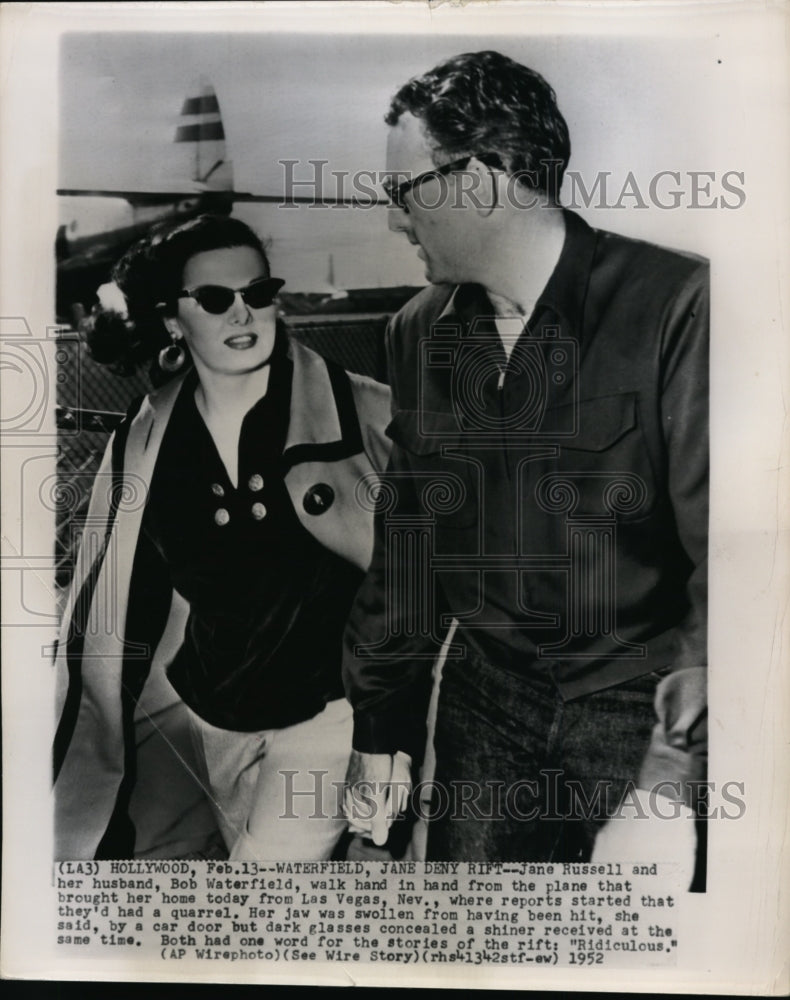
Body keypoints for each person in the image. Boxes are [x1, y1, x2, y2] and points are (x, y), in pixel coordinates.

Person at [343, 51, 708, 873]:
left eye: (403, 193)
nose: (396, 221)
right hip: (485, 706)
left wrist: (673, 766)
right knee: (470, 950)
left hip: (636, 707)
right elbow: (408, 544)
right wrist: (382, 727)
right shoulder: (416, 333)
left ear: (484, 176)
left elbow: (735, 557)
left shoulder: (676, 306)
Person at [53, 214, 391, 861]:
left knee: (263, 899)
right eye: (215, 299)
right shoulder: (146, 437)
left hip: (325, 713)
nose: (243, 314)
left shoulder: (362, 412)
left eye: (258, 293)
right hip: (215, 715)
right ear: (174, 319)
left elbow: (423, 577)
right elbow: (120, 598)